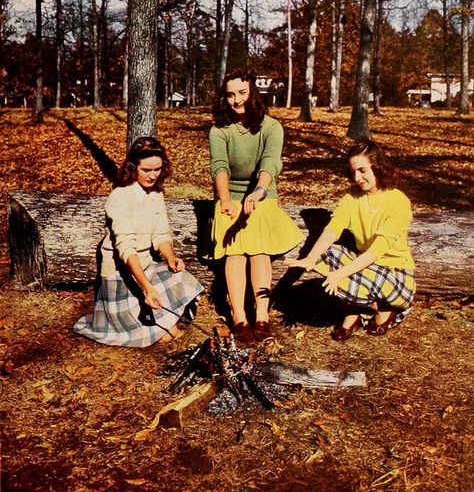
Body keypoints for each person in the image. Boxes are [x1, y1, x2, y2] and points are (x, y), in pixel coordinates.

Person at [74, 137, 203, 347]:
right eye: (146, 170)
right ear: (133, 167)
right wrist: (147, 288)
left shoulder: (156, 194)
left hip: (147, 266)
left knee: (184, 283)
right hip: (122, 273)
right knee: (153, 336)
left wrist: (171, 258)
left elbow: (161, 234)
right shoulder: (119, 197)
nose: (153, 176)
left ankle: (160, 319)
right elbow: (126, 249)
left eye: (157, 169)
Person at [208, 68, 304, 344]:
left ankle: (262, 314)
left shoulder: (271, 127)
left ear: (252, 93)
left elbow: (270, 164)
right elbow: (220, 167)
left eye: (241, 93)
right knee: (235, 252)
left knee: (259, 251)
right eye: (230, 95)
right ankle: (239, 315)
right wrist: (226, 201)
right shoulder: (219, 130)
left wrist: (258, 192)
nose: (236, 100)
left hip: (263, 196)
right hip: (231, 196)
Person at [287, 140, 416, 341]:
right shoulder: (351, 197)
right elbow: (333, 230)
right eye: (353, 171)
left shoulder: (398, 201)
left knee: (341, 275)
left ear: (378, 166)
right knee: (327, 254)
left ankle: (384, 309)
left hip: (395, 272)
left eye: (363, 170)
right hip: (365, 267)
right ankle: (354, 311)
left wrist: (339, 274)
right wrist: (310, 258)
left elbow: (376, 251)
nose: (357, 177)